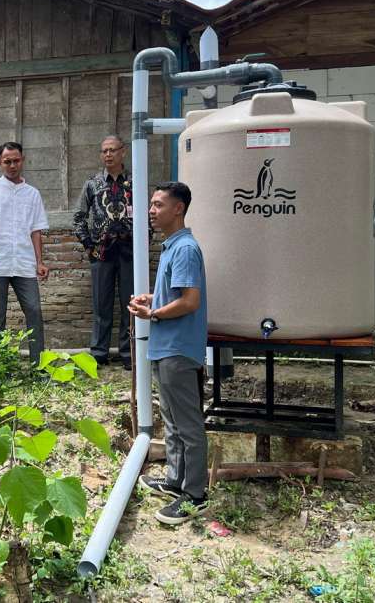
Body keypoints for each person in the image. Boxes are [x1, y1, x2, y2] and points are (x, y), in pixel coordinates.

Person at [127, 182, 210, 525]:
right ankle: (176, 481)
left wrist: (155, 314)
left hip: (178, 348)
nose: (151, 210)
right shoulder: (171, 247)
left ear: (178, 209)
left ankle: (196, 496)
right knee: (172, 421)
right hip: (166, 347)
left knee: (188, 424)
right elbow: (175, 295)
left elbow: (191, 301)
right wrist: (152, 299)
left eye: (158, 204)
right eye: (152, 204)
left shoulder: (186, 248)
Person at [0, 141, 48, 363]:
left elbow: (36, 231)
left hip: (24, 263)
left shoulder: (32, 194)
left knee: (34, 311)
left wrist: (39, 262)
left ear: (22, 160)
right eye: (7, 161)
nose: (12, 165)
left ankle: (38, 365)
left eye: (16, 160)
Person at [74, 135, 135, 370]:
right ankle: (99, 352)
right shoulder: (92, 183)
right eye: (104, 151)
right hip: (101, 252)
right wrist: (89, 245)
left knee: (130, 304)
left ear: (123, 152)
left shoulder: (135, 181)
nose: (108, 155)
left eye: (112, 150)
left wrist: (143, 240)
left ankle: (129, 353)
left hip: (130, 252)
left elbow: (148, 215)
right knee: (101, 304)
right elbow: (79, 217)